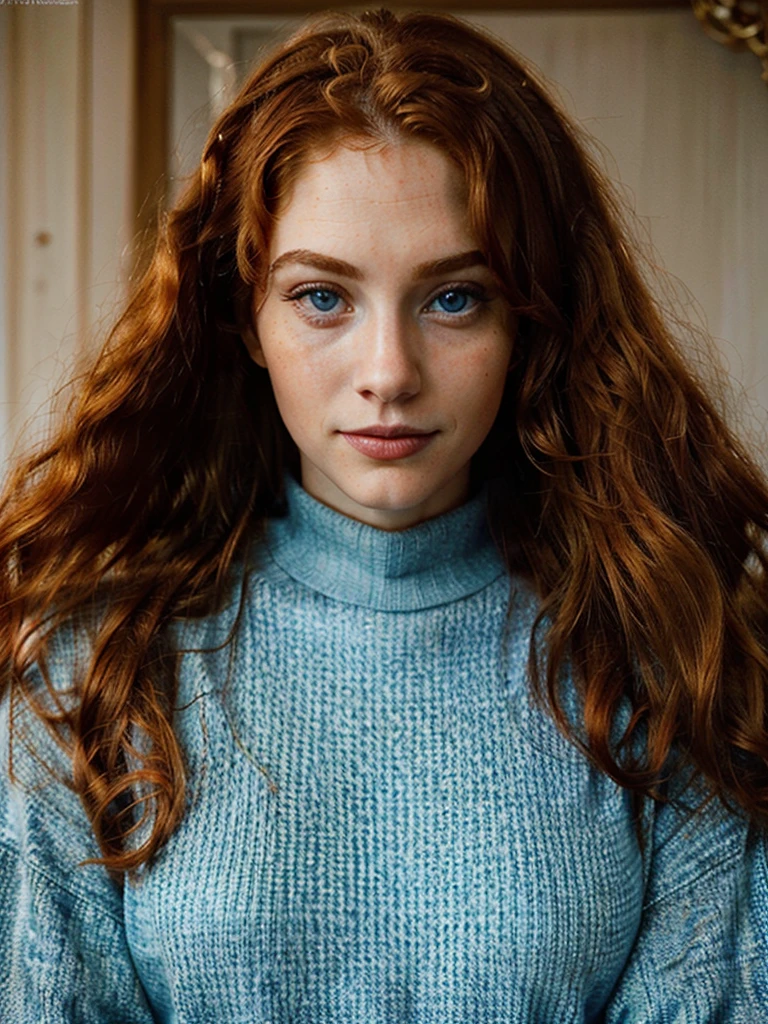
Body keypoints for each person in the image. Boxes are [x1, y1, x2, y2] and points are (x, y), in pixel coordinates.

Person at [1, 7, 767, 1022]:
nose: (388, 375)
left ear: (535, 320)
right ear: (246, 318)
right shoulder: (98, 669)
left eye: (454, 299)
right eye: (323, 297)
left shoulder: (671, 658)